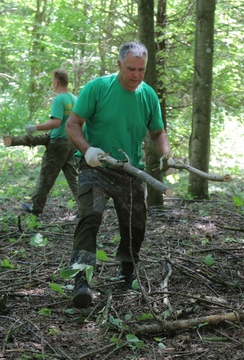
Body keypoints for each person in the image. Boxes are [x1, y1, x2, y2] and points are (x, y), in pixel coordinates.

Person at [65, 42, 172, 307]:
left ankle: (126, 270)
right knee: (90, 216)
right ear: (119, 65)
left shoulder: (147, 95)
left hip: (129, 170)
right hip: (96, 167)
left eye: (141, 69)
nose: (136, 75)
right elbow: (72, 124)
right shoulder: (98, 88)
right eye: (131, 69)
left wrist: (167, 154)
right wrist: (88, 150)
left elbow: (158, 132)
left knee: (136, 225)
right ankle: (81, 278)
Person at [22, 69, 79, 216]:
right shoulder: (75, 99)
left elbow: (56, 122)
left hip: (59, 142)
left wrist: (36, 127)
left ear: (56, 82)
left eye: (53, 80)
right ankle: (85, 209)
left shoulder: (59, 100)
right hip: (72, 142)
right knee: (73, 177)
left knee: (46, 176)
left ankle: (36, 208)